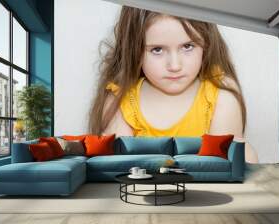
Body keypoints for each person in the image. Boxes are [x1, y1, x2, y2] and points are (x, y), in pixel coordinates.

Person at [88, 6, 258, 163]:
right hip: (145, 194)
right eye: (157, 50)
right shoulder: (120, 99)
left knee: (245, 153)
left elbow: (224, 169)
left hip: (208, 194)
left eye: (188, 46)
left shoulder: (220, 93)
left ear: (206, 43)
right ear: (134, 49)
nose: (175, 66)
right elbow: (121, 172)